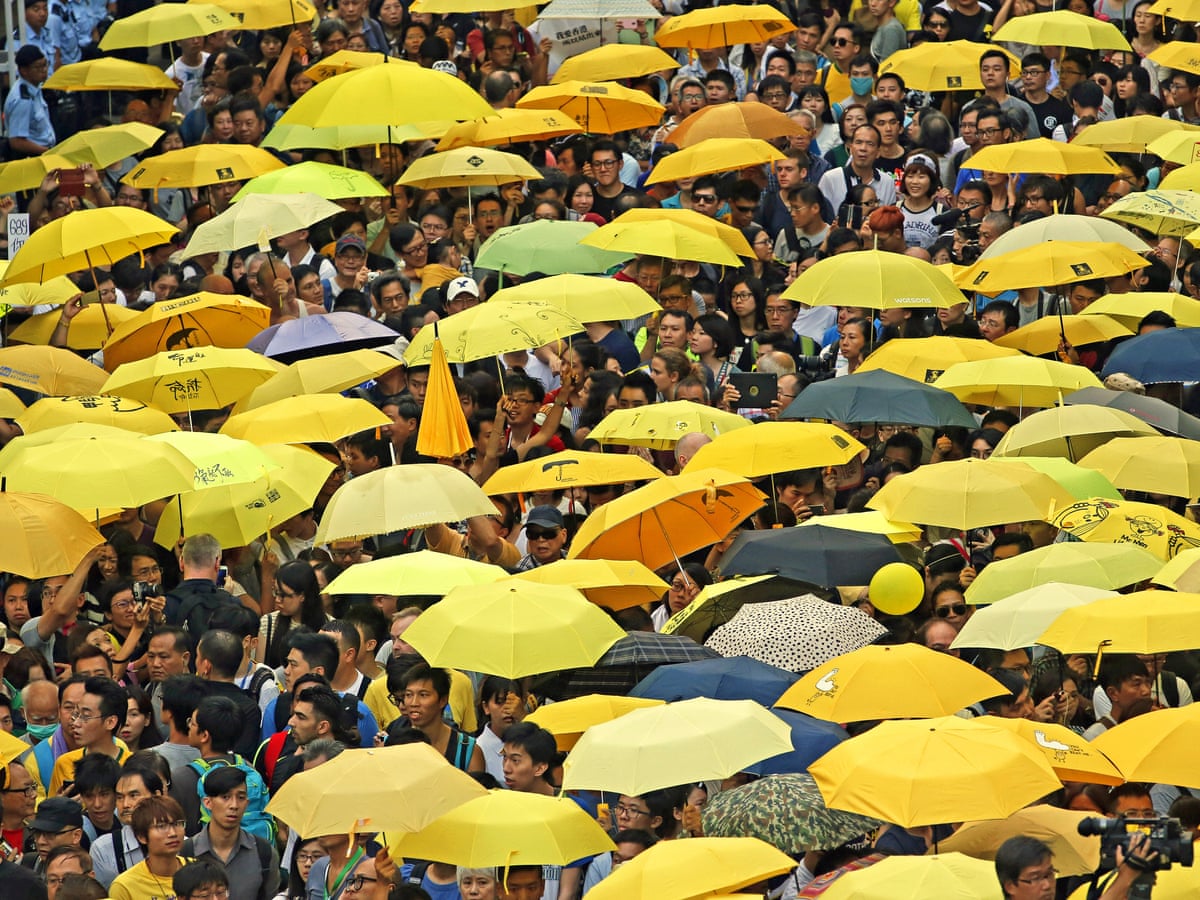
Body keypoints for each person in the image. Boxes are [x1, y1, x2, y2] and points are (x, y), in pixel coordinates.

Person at [181, 766, 278, 900]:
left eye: (241, 797)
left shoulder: (264, 853)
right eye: (225, 797)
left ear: (247, 803)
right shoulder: (186, 852)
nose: (234, 805)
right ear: (208, 803)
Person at [108, 796, 190, 900]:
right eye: (161, 826)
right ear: (141, 837)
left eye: (177, 824)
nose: (173, 833)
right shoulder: (125, 886)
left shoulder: (200, 872)